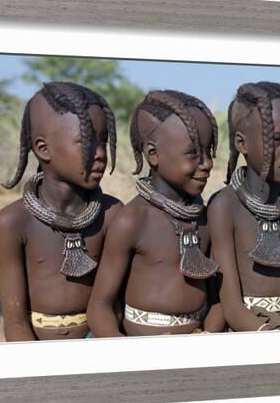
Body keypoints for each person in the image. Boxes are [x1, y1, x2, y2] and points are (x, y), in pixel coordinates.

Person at [87, 90, 225, 337]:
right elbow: (100, 306)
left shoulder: (204, 217)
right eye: (193, 153)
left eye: (208, 151)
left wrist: (209, 335)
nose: (207, 163)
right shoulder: (133, 220)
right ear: (153, 154)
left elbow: (217, 300)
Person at [0, 81, 122, 341]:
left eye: (103, 141)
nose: (100, 154)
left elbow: (116, 304)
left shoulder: (112, 214)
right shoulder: (13, 222)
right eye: (86, 142)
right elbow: (15, 321)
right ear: (43, 149)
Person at [208, 81, 280, 331]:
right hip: (249, 331)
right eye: (276, 139)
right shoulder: (224, 207)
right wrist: (273, 340)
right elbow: (231, 305)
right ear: (242, 144)